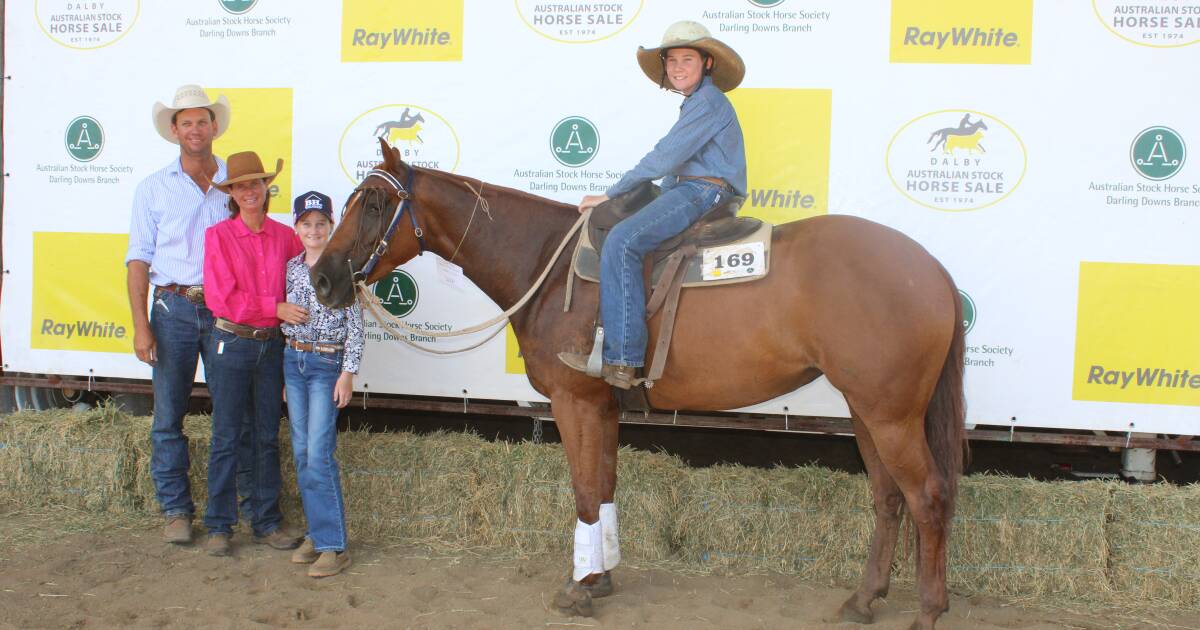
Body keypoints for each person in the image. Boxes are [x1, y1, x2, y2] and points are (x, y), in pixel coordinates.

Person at [558, 21, 747, 388]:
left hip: (701, 191)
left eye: (687, 59)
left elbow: (663, 159)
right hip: (689, 188)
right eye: (671, 60)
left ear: (707, 63)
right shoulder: (699, 102)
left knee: (623, 241)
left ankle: (622, 360)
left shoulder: (707, 102)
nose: (677, 67)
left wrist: (611, 194)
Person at [126, 84, 257, 544]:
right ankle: (176, 511)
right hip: (173, 308)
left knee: (235, 413)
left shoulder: (239, 181)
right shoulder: (153, 188)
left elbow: (256, 240)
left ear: (214, 126)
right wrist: (142, 325)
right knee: (168, 416)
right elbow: (138, 259)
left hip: (226, 309)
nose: (196, 129)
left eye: (203, 120)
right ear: (174, 130)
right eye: (187, 122)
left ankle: (240, 510)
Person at [201, 151, 303, 556]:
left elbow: (305, 277)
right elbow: (221, 298)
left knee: (265, 436)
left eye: (256, 183)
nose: (249, 191)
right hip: (233, 342)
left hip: (270, 347)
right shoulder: (218, 237)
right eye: (241, 185)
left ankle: (265, 522)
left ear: (266, 188)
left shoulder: (286, 237)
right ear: (231, 192)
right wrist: (274, 308)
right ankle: (219, 525)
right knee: (226, 435)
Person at [279, 190, 363, 577]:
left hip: (326, 362)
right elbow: (286, 312)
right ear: (296, 227)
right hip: (294, 360)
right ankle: (316, 531)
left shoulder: (344, 267)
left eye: (320, 224)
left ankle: (334, 545)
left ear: (331, 227)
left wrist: (348, 372)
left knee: (318, 451)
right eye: (306, 224)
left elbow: (357, 325)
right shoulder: (292, 267)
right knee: (301, 452)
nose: (313, 230)